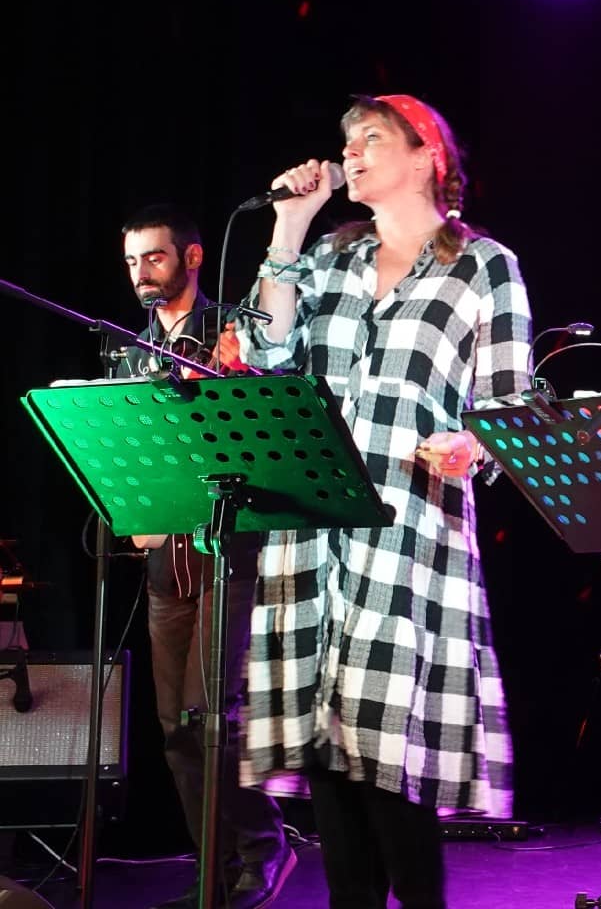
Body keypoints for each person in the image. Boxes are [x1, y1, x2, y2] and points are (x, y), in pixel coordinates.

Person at [238, 95, 530, 908]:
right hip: (312, 525)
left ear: (425, 154)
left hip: (410, 529)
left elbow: (508, 410)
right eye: (346, 141)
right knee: (329, 747)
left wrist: (472, 448)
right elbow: (266, 352)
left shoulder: (483, 265)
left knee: (387, 746)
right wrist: (289, 230)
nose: (352, 153)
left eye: (371, 138)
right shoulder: (327, 258)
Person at [116, 205, 292, 909]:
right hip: (167, 561)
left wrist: (230, 375)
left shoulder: (230, 330)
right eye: (131, 261)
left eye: (153, 257)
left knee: (209, 716)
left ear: (190, 258)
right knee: (172, 730)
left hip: (230, 554)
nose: (140, 273)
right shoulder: (126, 352)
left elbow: (259, 426)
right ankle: (213, 870)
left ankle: (262, 847)